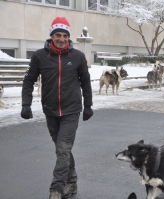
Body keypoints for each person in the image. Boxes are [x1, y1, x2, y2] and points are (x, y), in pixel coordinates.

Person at [21, 17, 93, 199]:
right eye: (58, 35)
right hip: (50, 110)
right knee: (63, 150)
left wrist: (88, 105)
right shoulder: (39, 56)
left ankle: (56, 189)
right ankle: (72, 182)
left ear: (69, 38)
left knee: (63, 148)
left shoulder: (77, 56)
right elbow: (29, 80)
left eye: (65, 36)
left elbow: (85, 82)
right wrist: (26, 104)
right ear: (51, 36)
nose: (61, 39)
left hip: (71, 110)